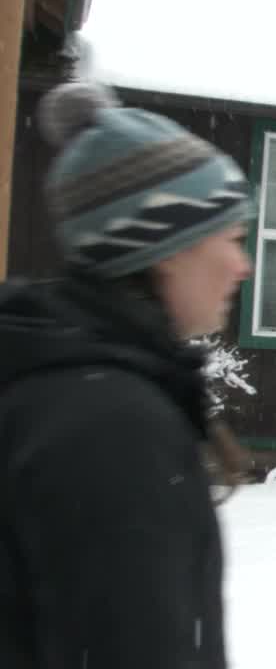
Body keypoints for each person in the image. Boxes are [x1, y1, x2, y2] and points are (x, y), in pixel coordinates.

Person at [0, 81, 256, 669]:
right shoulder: (110, 425)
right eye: (233, 238)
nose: (242, 266)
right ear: (166, 244)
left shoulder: (57, 380)